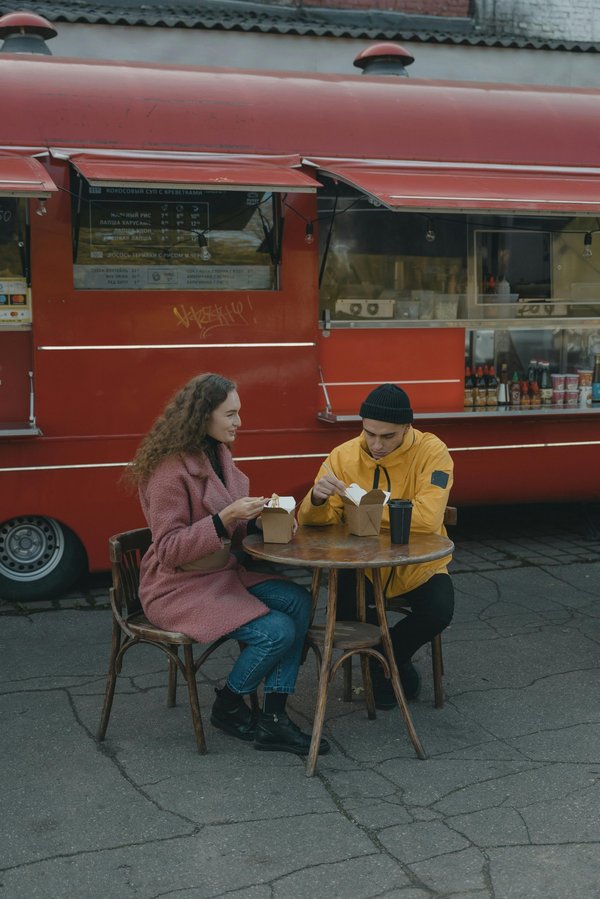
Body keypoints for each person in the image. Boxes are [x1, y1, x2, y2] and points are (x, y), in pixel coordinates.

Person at [126, 372, 328, 756]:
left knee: (298, 601)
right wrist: (225, 518)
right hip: (176, 587)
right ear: (203, 417)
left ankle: (273, 718)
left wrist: (266, 518)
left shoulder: (218, 454)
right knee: (277, 631)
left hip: (219, 574)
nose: (239, 423)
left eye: (239, 413)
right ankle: (229, 703)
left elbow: (233, 524)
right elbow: (169, 550)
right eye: (231, 414)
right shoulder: (168, 470)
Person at [298, 382, 454, 709]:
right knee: (343, 615)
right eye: (369, 434)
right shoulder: (343, 455)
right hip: (363, 568)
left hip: (418, 567)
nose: (377, 444)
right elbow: (312, 522)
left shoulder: (433, 451)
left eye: (388, 436)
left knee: (440, 609)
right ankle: (383, 670)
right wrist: (316, 499)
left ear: (407, 429)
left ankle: (387, 657)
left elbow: (426, 519)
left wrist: (360, 509)